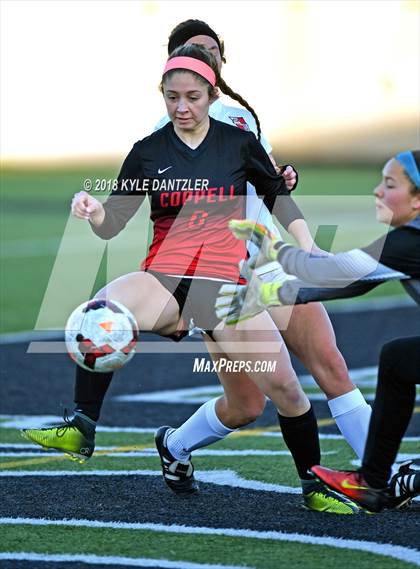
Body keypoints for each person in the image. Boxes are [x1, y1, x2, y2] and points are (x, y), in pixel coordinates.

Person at [22, 44, 360, 514]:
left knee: (283, 389)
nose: (182, 107)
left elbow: (277, 194)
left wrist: (309, 246)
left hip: (225, 285)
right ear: (161, 94)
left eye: (193, 97)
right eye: (172, 97)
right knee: (102, 310)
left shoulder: (239, 143)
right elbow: (113, 221)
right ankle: (82, 425)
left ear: (211, 92)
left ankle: (314, 485)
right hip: (165, 278)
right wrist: (93, 208)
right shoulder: (146, 152)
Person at [151, 19, 374, 490]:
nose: (203, 58)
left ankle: (382, 475)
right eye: (193, 50)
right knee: (247, 405)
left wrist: (281, 178)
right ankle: (175, 444)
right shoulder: (164, 135)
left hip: (267, 260)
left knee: (331, 366)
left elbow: (265, 176)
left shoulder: (241, 118)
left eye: (211, 52)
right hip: (216, 280)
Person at [216, 150, 420, 511]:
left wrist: (275, 276)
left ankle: (393, 478)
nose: (377, 191)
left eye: (389, 185)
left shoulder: (409, 243)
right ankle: (373, 481)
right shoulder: (406, 243)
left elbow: (346, 274)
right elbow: (354, 277)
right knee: (398, 359)